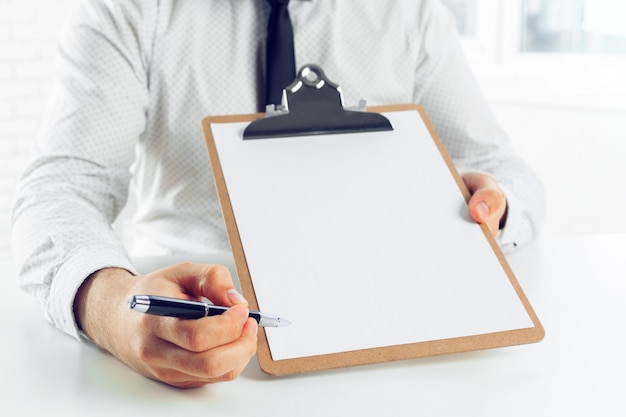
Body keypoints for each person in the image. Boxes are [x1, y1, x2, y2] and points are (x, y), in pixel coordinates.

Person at [10, 0, 545, 388]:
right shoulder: (130, 11)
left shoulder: (411, 15)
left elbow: (503, 170)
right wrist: (112, 309)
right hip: (190, 329)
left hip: (385, 332)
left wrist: (493, 209)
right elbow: (63, 186)